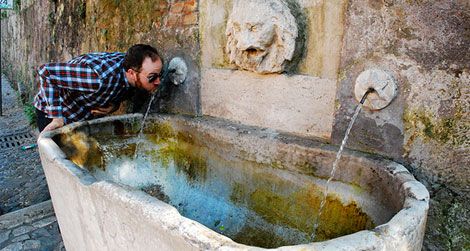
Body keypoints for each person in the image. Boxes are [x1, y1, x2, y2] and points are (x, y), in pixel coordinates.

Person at [33, 44, 163, 132]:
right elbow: (46, 72)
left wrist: (114, 105)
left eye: (160, 75)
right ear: (132, 73)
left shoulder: (132, 69)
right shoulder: (97, 77)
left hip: (80, 116)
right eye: (152, 77)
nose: (158, 81)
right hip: (53, 113)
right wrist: (56, 117)